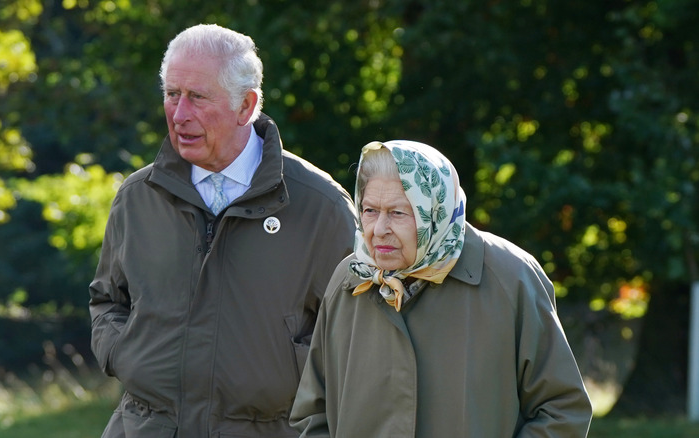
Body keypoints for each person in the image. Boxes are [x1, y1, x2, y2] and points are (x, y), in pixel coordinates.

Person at [88, 24, 357, 438]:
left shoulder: (321, 207)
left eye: (196, 97)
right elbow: (107, 300)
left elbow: (355, 334)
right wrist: (123, 355)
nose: (179, 115)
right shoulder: (138, 196)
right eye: (172, 94)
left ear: (245, 106)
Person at [289, 140, 593, 437]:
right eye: (369, 210)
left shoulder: (511, 278)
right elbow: (313, 414)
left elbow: (562, 411)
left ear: (434, 212)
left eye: (397, 213)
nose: (379, 229)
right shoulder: (350, 278)